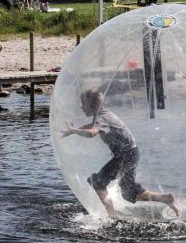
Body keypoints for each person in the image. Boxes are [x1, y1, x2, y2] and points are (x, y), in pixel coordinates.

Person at [61, 89, 179, 218]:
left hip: (125, 155)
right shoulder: (104, 115)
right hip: (132, 153)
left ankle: (112, 217)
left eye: (83, 103)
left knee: (97, 182)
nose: (81, 107)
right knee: (128, 192)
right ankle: (165, 198)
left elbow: (91, 133)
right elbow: (91, 127)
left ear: (92, 105)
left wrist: (75, 130)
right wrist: (73, 131)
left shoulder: (103, 118)